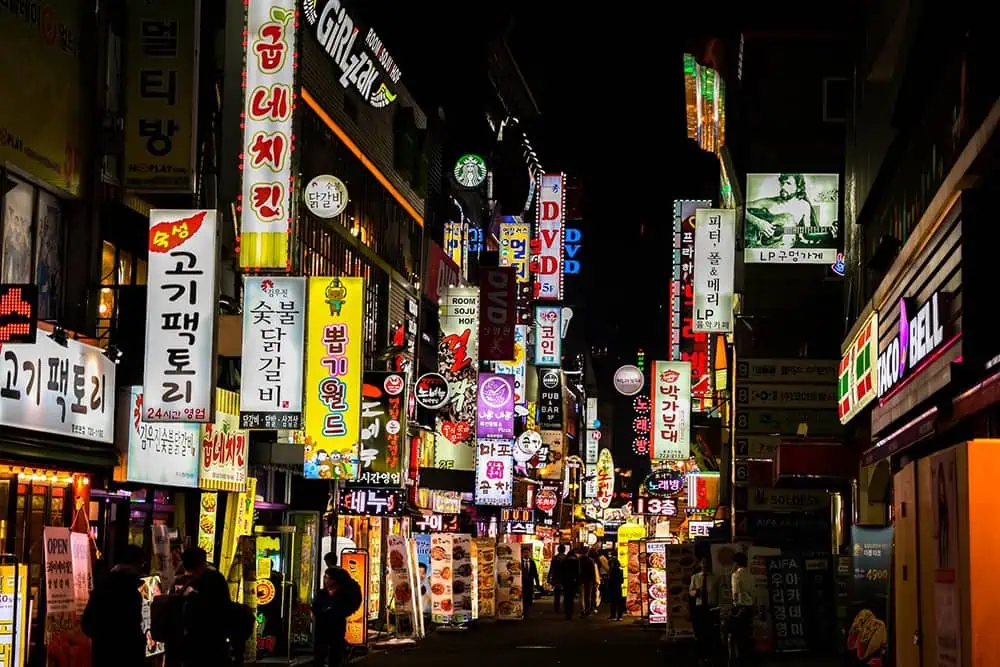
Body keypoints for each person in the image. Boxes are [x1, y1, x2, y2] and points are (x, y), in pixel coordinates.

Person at [81, 544, 146, 667]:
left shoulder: (101, 587)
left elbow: (87, 624)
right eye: (141, 564)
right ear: (135, 565)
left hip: (103, 655)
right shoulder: (130, 593)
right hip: (126, 657)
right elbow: (131, 630)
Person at [745, 173, 834, 249]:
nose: (783, 187)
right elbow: (741, 208)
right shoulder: (767, 202)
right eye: (782, 183)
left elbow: (807, 233)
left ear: (798, 188)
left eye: (788, 183)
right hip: (762, 248)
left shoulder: (804, 206)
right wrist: (758, 223)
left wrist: (828, 231)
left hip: (787, 250)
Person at [179, 547, 233, 667]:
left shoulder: (208, 580)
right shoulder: (212, 578)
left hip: (206, 639)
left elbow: (207, 608)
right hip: (212, 639)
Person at [313, 566, 363, 667]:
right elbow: (315, 607)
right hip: (322, 625)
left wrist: (333, 609)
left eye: (328, 578)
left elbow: (348, 606)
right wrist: (321, 610)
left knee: (335, 650)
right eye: (325, 577)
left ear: (335, 580)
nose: (326, 580)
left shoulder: (345, 594)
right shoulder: (322, 593)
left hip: (336, 625)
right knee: (320, 651)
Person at [690, 557, 720, 664]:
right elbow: (691, 591)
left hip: (711, 608)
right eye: (703, 563)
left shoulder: (715, 578)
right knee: (700, 633)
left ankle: (710, 656)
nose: (705, 565)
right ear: (700, 565)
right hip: (699, 607)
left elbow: (719, 593)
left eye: (707, 563)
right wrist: (696, 593)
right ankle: (701, 656)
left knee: (710, 633)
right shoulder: (695, 577)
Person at [730, 552, 755, 666]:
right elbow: (753, 593)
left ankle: (740, 661)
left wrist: (736, 606)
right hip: (750, 607)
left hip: (740, 608)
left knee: (739, 636)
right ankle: (749, 660)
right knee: (748, 635)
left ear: (736, 563)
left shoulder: (736, 575)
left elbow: (736, 593)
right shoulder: (751, 575)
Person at [554, 547, 580, 620]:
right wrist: (578, 582)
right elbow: (578, 572)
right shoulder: (576, 561)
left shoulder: (564, 561)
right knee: (571, 598)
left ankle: (567, 612)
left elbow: (561, 572)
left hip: (565, 582)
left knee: (566, 597)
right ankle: (570, 612)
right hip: (573, 582)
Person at [547, 545, 567, 614]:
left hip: (556, 578)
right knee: (566, 594)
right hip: (565, 578)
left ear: (558, 550)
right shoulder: (566, 558)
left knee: (557, 594)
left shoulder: (555, 558)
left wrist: (549, 577)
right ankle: (565, 608)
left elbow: (551, 569)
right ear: (564, 550)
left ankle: (556, 608)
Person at [605, 557, 625, 621]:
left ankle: (613, 616)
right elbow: (622, 581)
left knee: (613, 602)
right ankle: (619, 616)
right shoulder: (620, 571)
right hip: (618, 588)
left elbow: (610, 580)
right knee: (619, 602)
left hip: (613, 588)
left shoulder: (612, 571)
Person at [578, 547, 596, 617]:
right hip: (589, 580)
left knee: (582, 596)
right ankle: (587, 610)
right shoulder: (591, 560)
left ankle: (582, 611)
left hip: (581, 579)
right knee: (588, 596)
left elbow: (578, 570)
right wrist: (594, 580)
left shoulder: (579, 560)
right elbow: (592, 572)